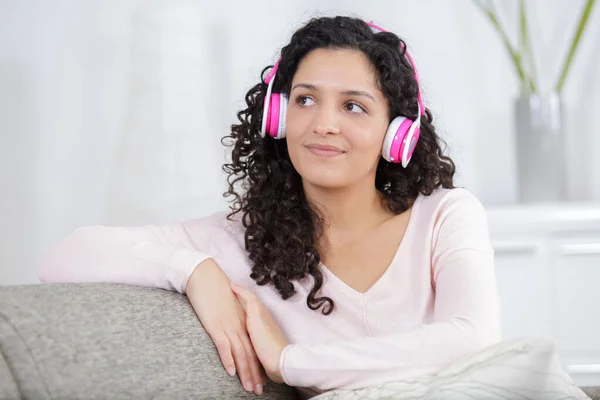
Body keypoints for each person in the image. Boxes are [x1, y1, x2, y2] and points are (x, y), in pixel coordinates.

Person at [38, 16, 502, 399]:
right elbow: (65, 256)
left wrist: (288, 362)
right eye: (305, 100)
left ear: (397, 134)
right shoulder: (243, 239)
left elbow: (472, 340)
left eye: (353, 107)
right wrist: (194, 269)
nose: (323, 124)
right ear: (277, 117)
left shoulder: (446, 215)